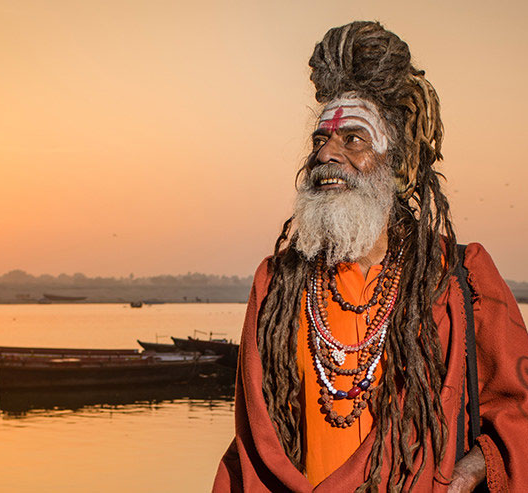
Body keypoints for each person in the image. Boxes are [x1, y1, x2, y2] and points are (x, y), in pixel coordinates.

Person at [213, 21, 528, 492]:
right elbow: (255, 443)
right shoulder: (277, 286)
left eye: (352, 140)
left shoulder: (459, 278)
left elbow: (520, 412)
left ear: (396, 162)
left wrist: (472, 468)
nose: (327, 155)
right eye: (320, 140)